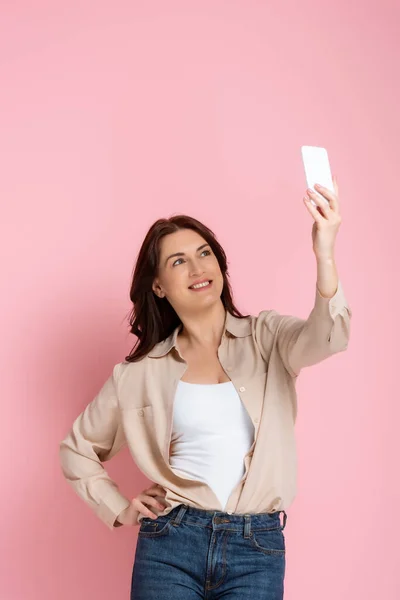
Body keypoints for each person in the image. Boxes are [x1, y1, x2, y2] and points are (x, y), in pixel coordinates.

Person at [59, 179, 351, 599]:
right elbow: (77, 448)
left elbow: (329, 337)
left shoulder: (267, 337)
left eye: (204, 253)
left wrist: (324, 252)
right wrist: (119, 508)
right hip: (171, 542)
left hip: (257, 546)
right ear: (157, 285)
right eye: (178, 261)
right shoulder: (139, 373)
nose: (198, 268)